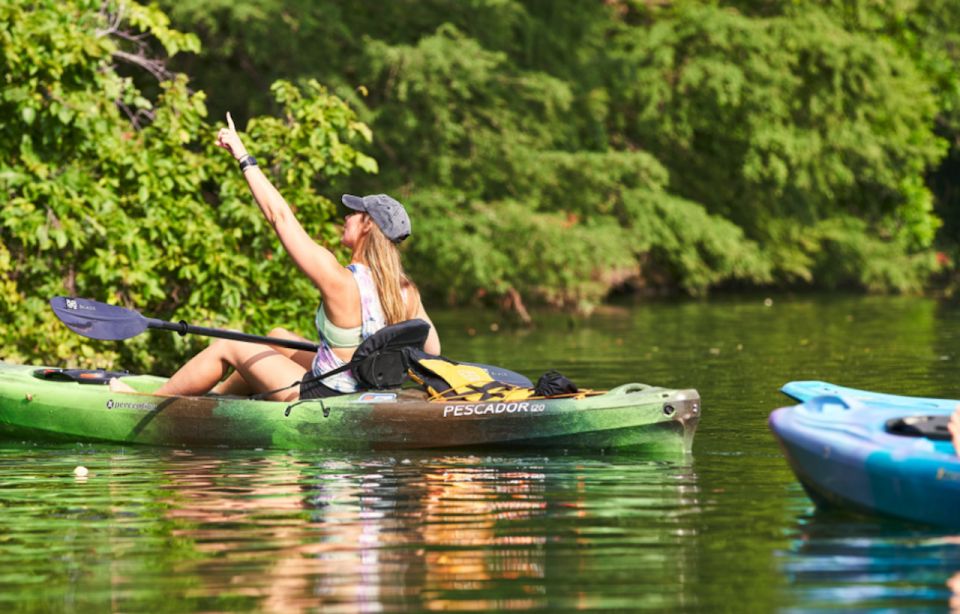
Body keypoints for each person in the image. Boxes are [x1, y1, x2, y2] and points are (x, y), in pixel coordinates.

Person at [111, 112, 440, 400]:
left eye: (354, 214)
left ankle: (150, 401)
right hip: (363, 390)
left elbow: (279, 217)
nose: (346, 216)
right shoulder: (407, 292)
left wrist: (243, 156)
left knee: (231, 345)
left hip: (325, 395)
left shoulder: (338, 277)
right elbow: (432, 352)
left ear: (367, 225)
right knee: (278, 337)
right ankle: (216, 400)